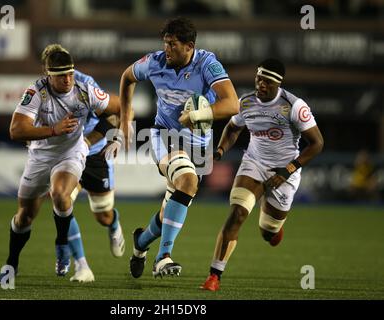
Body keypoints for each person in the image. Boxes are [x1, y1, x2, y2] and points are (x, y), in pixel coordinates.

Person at [118, 17, 240, 278]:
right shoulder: (155, 62)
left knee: (168, 212)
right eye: (165, 43)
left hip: (198, 146)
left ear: (189, 46)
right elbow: (127, 77)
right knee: (187, 180)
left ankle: (140, 243)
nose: (167, 50)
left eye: (172, 44)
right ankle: (163, 257)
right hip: (165, 136)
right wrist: (125, 116)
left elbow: (232, 104)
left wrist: (198, 115)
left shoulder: (207, 63)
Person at [0, 49, 120, 286]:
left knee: (60, 195)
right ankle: (11, 263)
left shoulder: (85, 91)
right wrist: (53, 130)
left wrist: (111, 137)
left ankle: (62, 243)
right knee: (24, 217)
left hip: (71, 153)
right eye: (61, 75)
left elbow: (119, 106)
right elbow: (16, 130)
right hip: (40, 156)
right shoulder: (36, 92)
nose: (68, 80)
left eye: (70, 74)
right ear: (48, 75)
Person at [200, 58, 324, 291]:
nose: (261, 84)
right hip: (254, 164)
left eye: (267, 81)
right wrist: (220, 150)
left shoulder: (294, 106)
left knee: (268, 232)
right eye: (259, 78)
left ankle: (273, 231)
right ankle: (214, 276)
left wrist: (287, 170)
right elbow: (233, 127)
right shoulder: (245, 102)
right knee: (236, 213)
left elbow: (317, 143)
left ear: (278, 83)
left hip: (285, 170)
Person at [39, 44, 125, 283]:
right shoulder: (39, 92)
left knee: (103, 216)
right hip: (65, 157)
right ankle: (82, 266)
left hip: (95, 154)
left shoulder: (85, 85)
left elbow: (113, 117)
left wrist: (87, 142)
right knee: (62, 199)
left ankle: (114, 222)